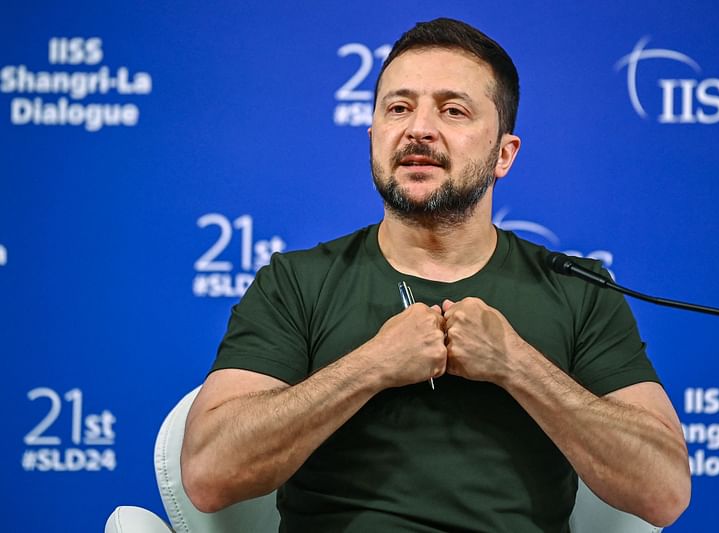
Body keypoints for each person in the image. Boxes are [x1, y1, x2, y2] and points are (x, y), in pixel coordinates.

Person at [181, 17, 691, 532]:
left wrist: (516, 364)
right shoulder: (296, 282)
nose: (418, 128)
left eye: (453, 110)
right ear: (374, 136)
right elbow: (208, 473)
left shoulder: (579, 290)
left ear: (504, 155)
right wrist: (370, 367)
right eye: (398, 108)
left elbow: (664, 491)